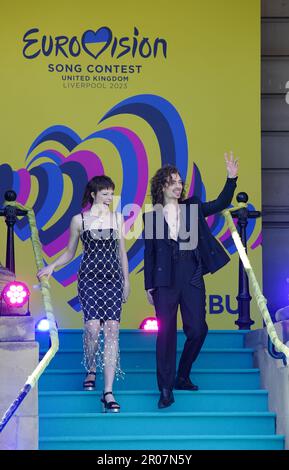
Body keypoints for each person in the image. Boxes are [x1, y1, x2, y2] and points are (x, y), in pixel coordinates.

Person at [143, 152, 238, 408]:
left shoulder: (192, 207)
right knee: (165, 335)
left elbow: (219, 204)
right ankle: (165, 389)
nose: (178, 185)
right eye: (173, 181)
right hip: (164, 280)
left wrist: (231, 179)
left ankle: (182, 374)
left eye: (180, 181)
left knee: (197, 329)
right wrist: (148, 285)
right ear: (162, 185)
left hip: (191, 273)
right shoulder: (152, 216)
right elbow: (150, 253)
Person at [37, 175, 130, 413]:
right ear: (93, 194)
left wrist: (126, 281)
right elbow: (70, 252)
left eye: (112, 193)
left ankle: (108, 391)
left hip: (113, 279)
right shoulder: (79, 220)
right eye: (106, 193)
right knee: (92, 328)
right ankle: (91, 368)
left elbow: (121, 252)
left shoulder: (117, 218)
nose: (110, 197)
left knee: (112, 329)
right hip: (89, 277)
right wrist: (52, 266)